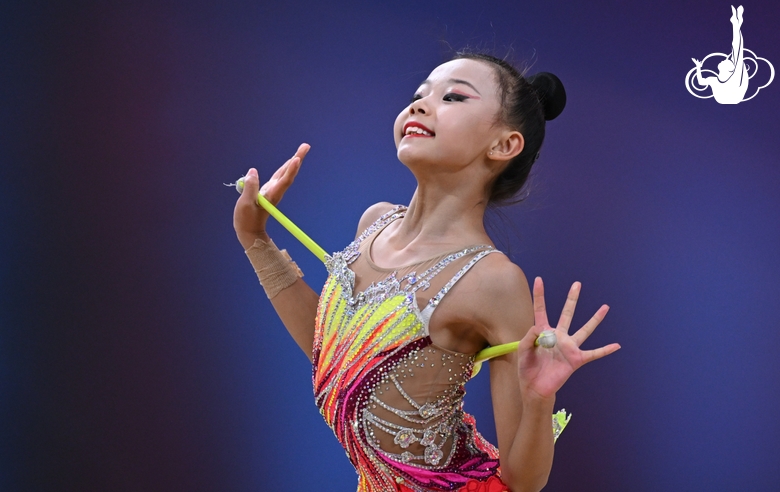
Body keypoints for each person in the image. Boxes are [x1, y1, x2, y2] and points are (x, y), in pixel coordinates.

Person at [233, 52, 620, 492]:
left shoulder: (492, 280)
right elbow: (334, 358)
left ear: (504, 145)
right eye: (420, 94)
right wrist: (255, 239)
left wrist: (538, 399)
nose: (419, 104)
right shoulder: (373, 223)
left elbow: (521, 481)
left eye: (453, 97)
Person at [692, 5, 748, 104]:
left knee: (737, 51)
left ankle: (736, 23)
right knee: (737, 52)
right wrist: (698, 67)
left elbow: (738, 48)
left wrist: (698, 67)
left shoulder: (727, 78)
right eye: (727, 60)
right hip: (729, 96)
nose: (724, 59)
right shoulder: (717, 79)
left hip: (733, 95)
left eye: (726, 61)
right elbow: (701, 82)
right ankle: (736, 24)